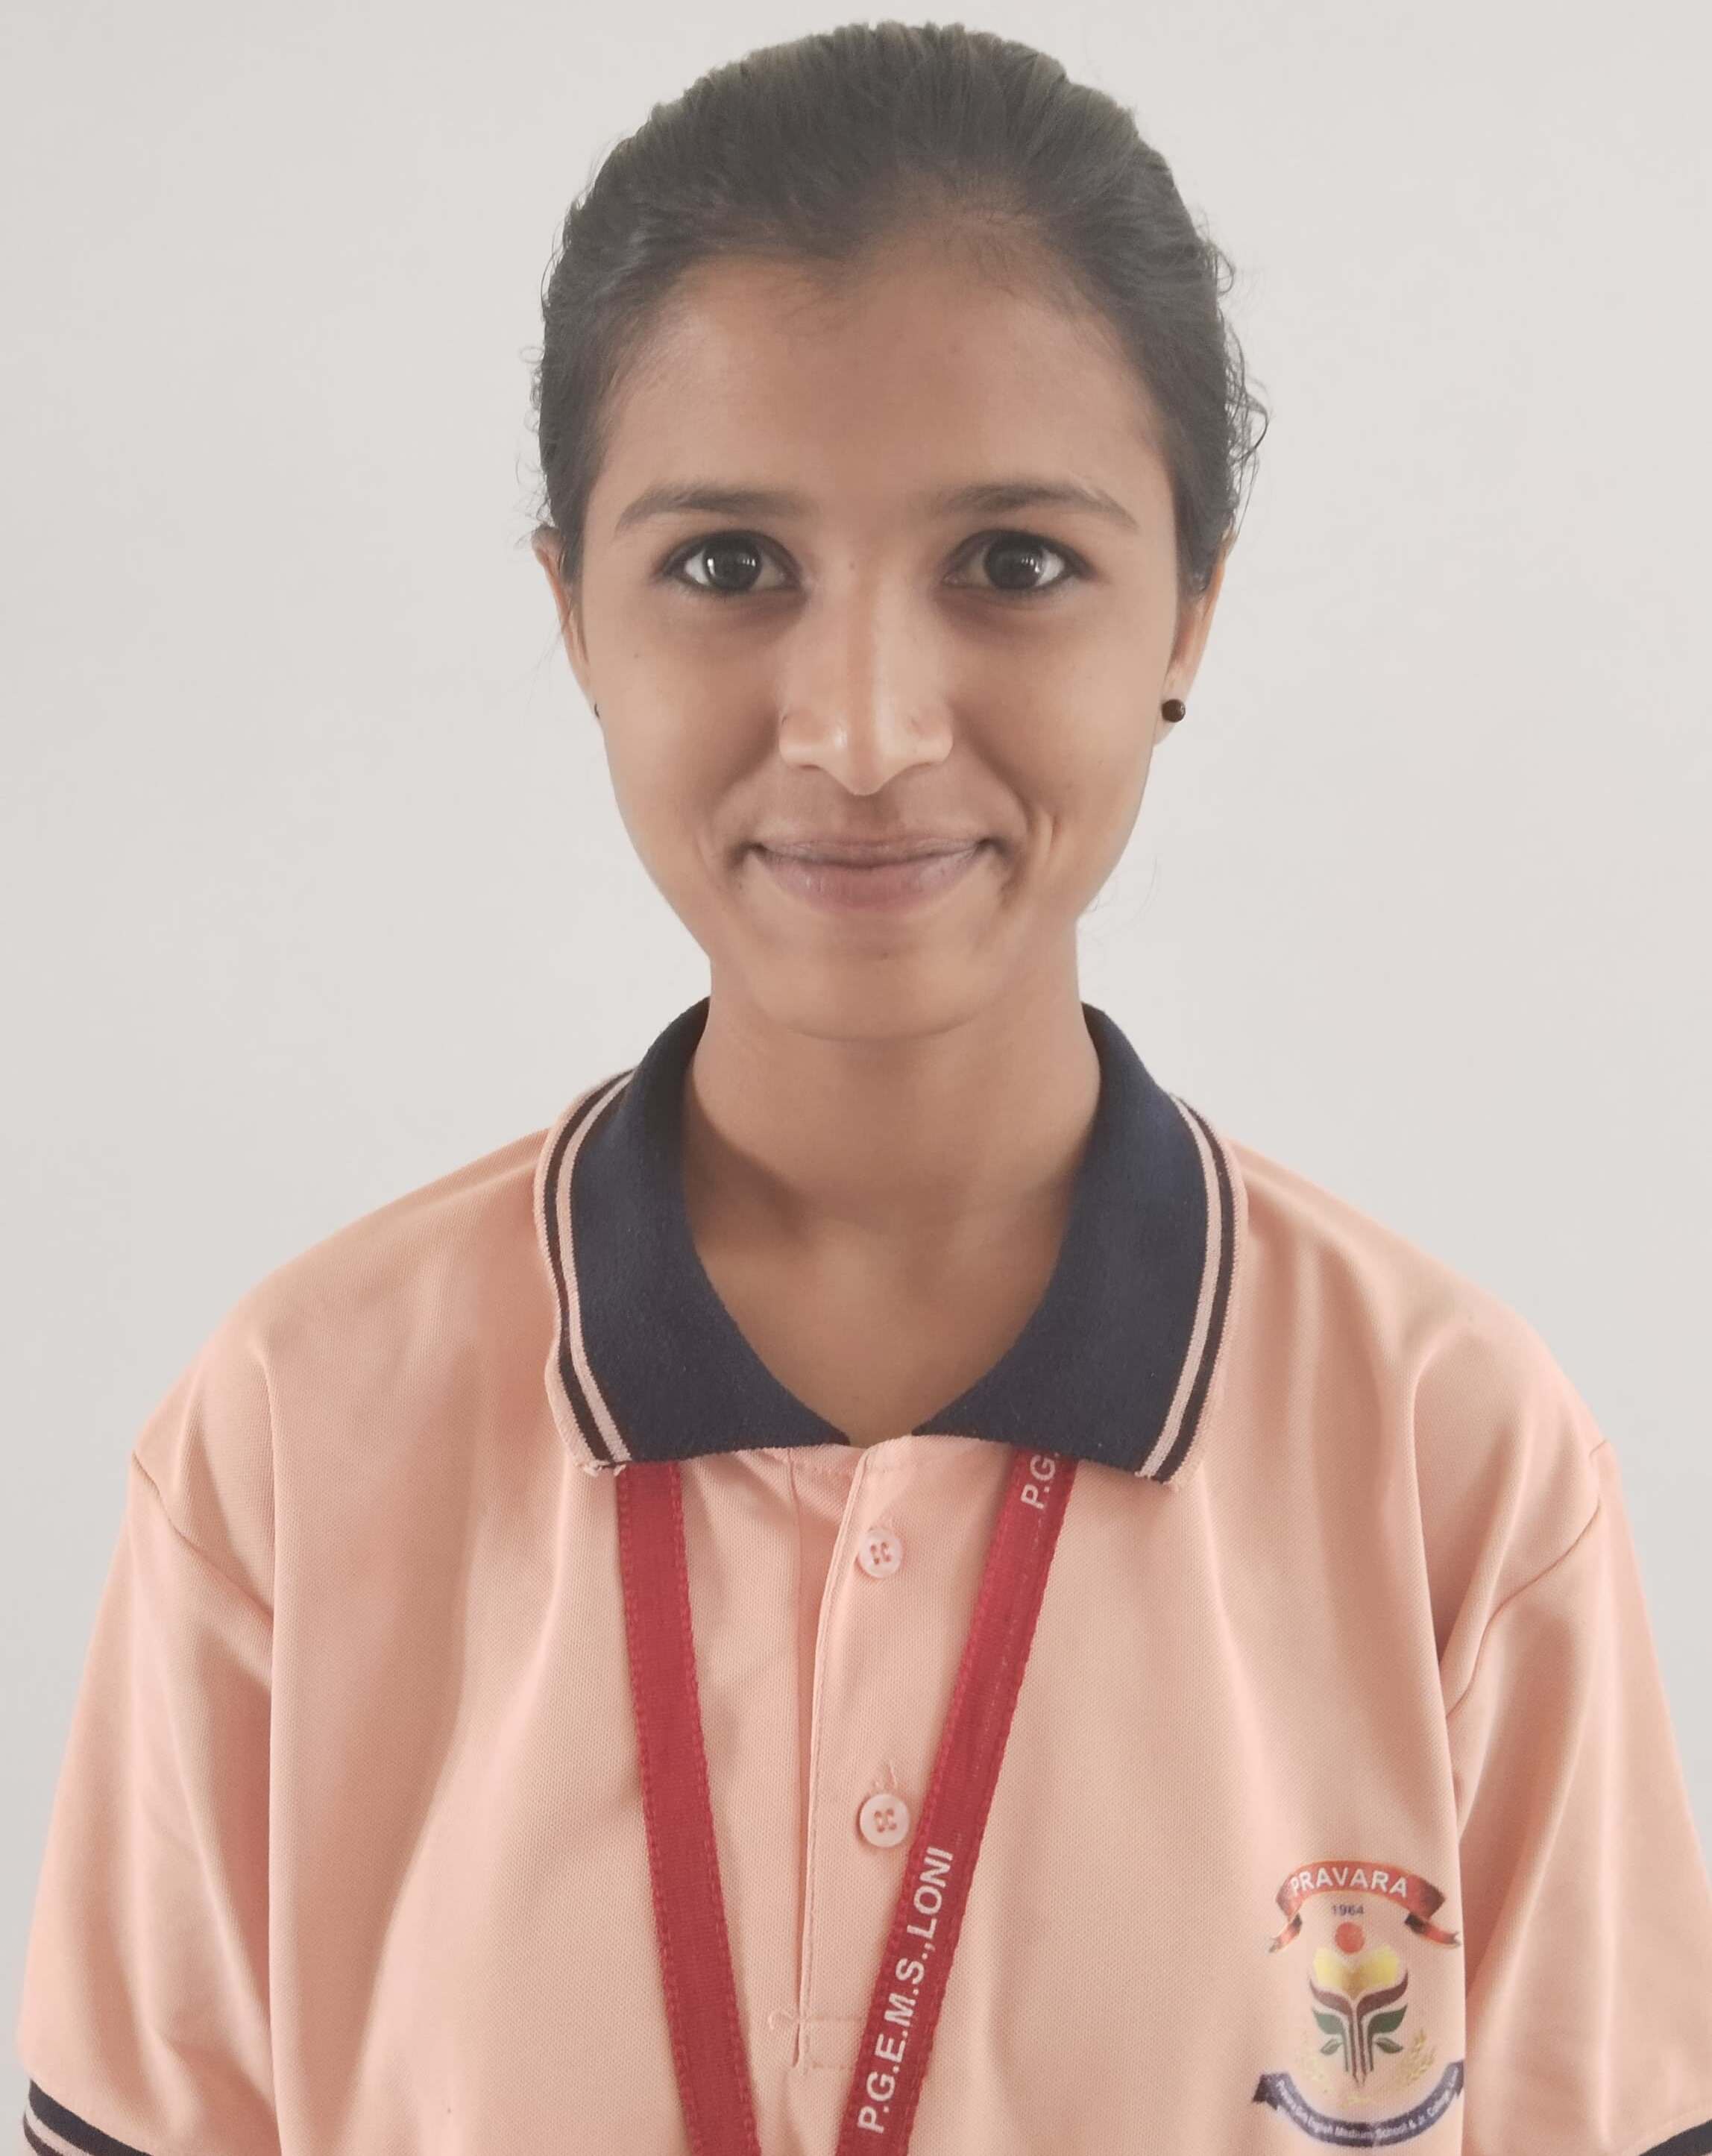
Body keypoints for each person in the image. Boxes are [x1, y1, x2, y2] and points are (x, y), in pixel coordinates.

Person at [14, 20, 1712, 2156]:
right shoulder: (293, 1438)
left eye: (1015, 561)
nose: (865, 725)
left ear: (1189, 610)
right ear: (573, 615)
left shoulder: (1450, 1461)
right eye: (730, 564)